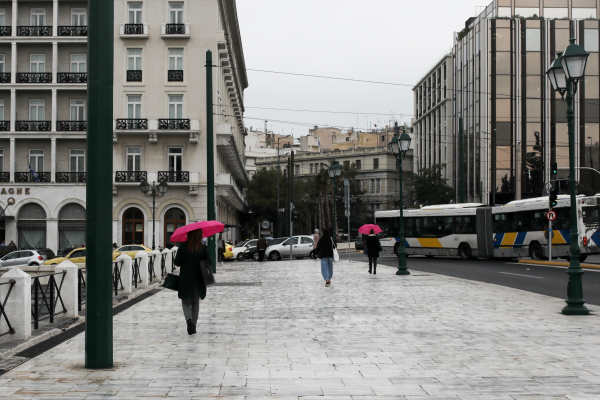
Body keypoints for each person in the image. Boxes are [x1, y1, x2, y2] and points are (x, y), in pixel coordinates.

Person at [173, 229, 208, 335]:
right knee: (195, 302)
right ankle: (193, 324)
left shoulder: (183, 247)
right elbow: (208, 262)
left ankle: (188, 321)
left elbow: (177, 262)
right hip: (198, 278)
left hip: (185, 279)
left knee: (185, 301)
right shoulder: (202, 248)